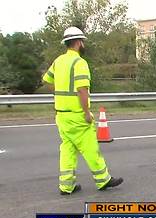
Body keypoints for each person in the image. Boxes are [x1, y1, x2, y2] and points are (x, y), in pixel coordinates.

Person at [42, 27, 123, 195]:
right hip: (77, 115)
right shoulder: (79, 63)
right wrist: (86, 112)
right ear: (79, 42)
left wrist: (60, 92)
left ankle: (66, 186)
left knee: (68, 149)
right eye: (83, 42)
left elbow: (46, 80)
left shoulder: (59, 61)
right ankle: (103, 180)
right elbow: (82, 90)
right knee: (90, 147)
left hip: (61, 115)